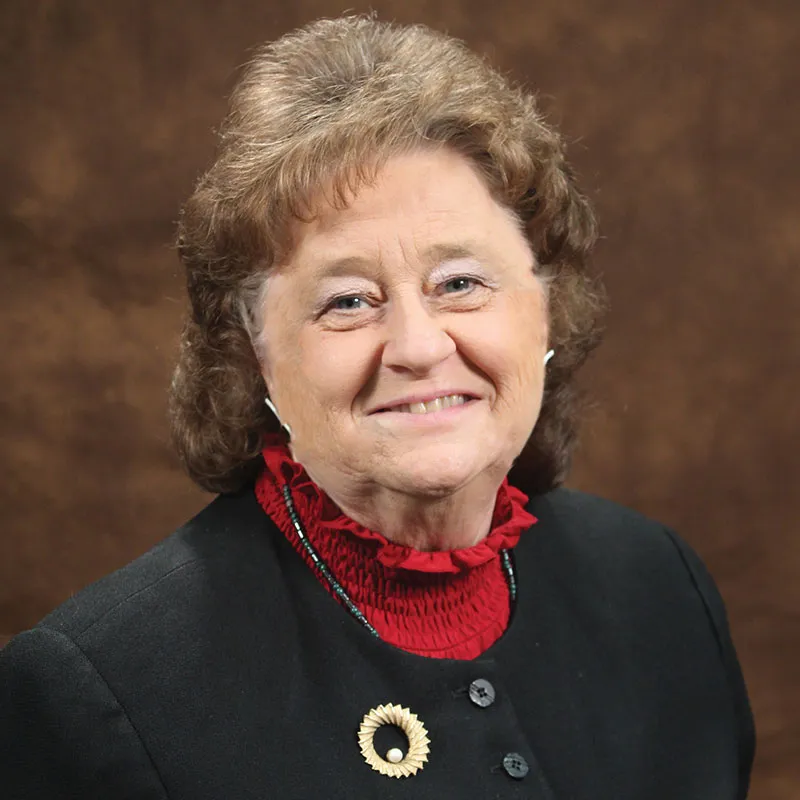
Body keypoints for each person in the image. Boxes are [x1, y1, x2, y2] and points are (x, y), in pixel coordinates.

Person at [0, 15, 754, 799]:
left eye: (460, 282)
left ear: (546, 310)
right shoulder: (95, 696)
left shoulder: (662, 589)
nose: (418, 347)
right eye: (350, 300)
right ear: (254, 349)